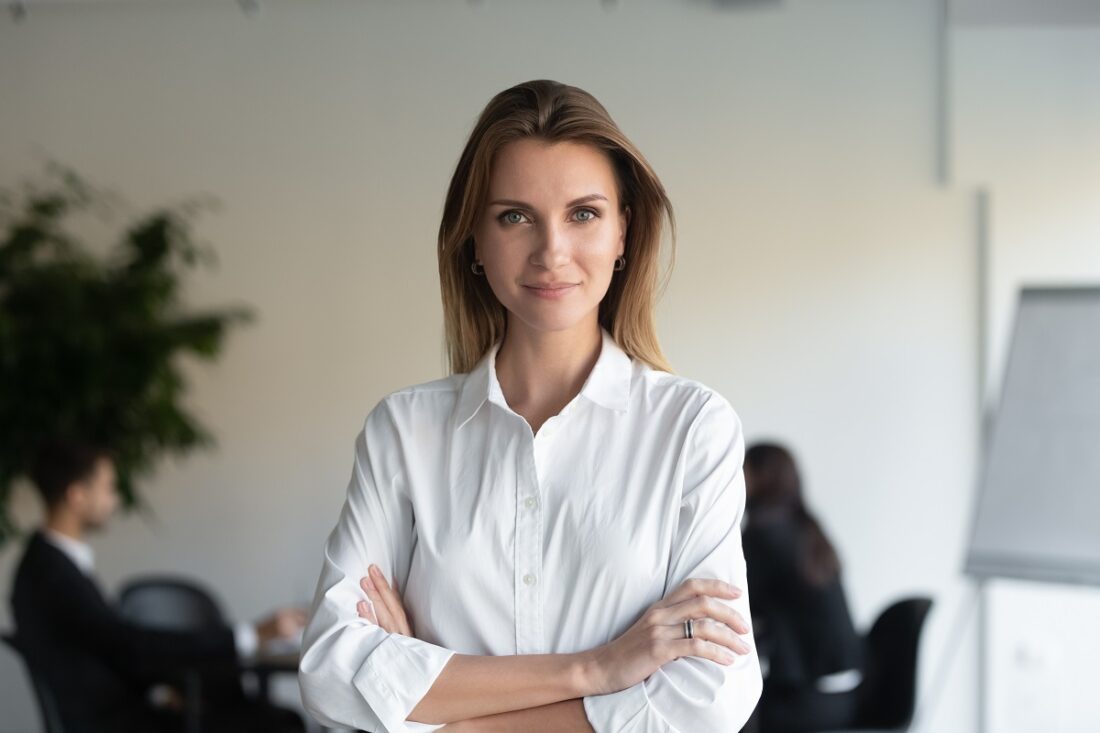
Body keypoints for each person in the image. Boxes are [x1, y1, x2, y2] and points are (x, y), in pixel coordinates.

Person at [298, 78, 764, 733]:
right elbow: (329, 670)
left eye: (584, 213)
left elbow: (711, 694)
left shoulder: (693, 429)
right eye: (515, 215)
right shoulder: (403, 432)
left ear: (624, 231)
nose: (552, 251)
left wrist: (445, 713)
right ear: (475, 244)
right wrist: (597, 669)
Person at [8, 437, 308, 733]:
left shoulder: (46, 564)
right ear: (77, 496)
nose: (115, 500)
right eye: (108, 488)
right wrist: (249, 635)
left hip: (121, 712)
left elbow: (103, 650)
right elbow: (128, 646)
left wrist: (159, 688)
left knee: (255, 712)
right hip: (114, 723)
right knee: (277, 723)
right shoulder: (52, 573)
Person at [739, 442, 864, 733]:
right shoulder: (808, 528)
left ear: (758, 477)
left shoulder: (763, 535)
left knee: (730, 706)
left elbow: (735, 603)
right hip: (845, 695)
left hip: (805, 702)